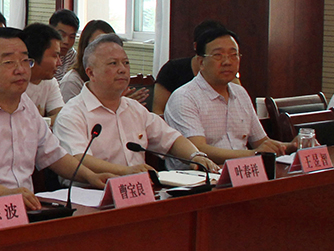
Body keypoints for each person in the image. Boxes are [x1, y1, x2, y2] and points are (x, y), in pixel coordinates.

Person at [0, 27, 109, 210]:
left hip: (24, 209)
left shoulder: (26, 105)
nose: (20, 70)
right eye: (9, 62)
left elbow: (54, 155)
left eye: (25, 60)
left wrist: (91, 176)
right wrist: (7, 195)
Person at [54, 33, 219, 176]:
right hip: (92, 193)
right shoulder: (72, 114)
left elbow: (171, 139)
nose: (122, 69)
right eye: (113, 63)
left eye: (126, 63)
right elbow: (79, 159)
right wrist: (126, 172)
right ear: (91, 73)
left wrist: (195, 156)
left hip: (138, 191)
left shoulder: (134, 109)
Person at [164, 27, 295, 168]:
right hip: (200, 176)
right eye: (218, 55)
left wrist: (292, 146)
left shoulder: (240, 93)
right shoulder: (185, 97)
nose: (227, 62)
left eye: (233, 55)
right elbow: (198, 149)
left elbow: (262, 142)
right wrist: (254, 154)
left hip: (242, 172)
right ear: (201, 62)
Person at [152, 19, 227, 115]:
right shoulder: (172, 70)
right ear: (196, 46)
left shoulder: (225, 71)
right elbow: (158, 111)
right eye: (216, 52)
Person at [60, 19, 116, 102]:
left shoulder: (115, 78)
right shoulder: (72, 82)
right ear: (85, 48)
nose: (105, 50)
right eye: (98, 44)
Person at [21, 23, 64, 124]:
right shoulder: (14, 84)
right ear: (35, 56)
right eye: (55, 56)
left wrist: (40, 122)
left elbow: (62, 116)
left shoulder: (50, 82)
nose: (59, 63)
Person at [49, 9, 79, 82]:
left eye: (72, 37)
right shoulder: (40, 56)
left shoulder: (72, 56)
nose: (66, 42)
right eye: (62, 35)